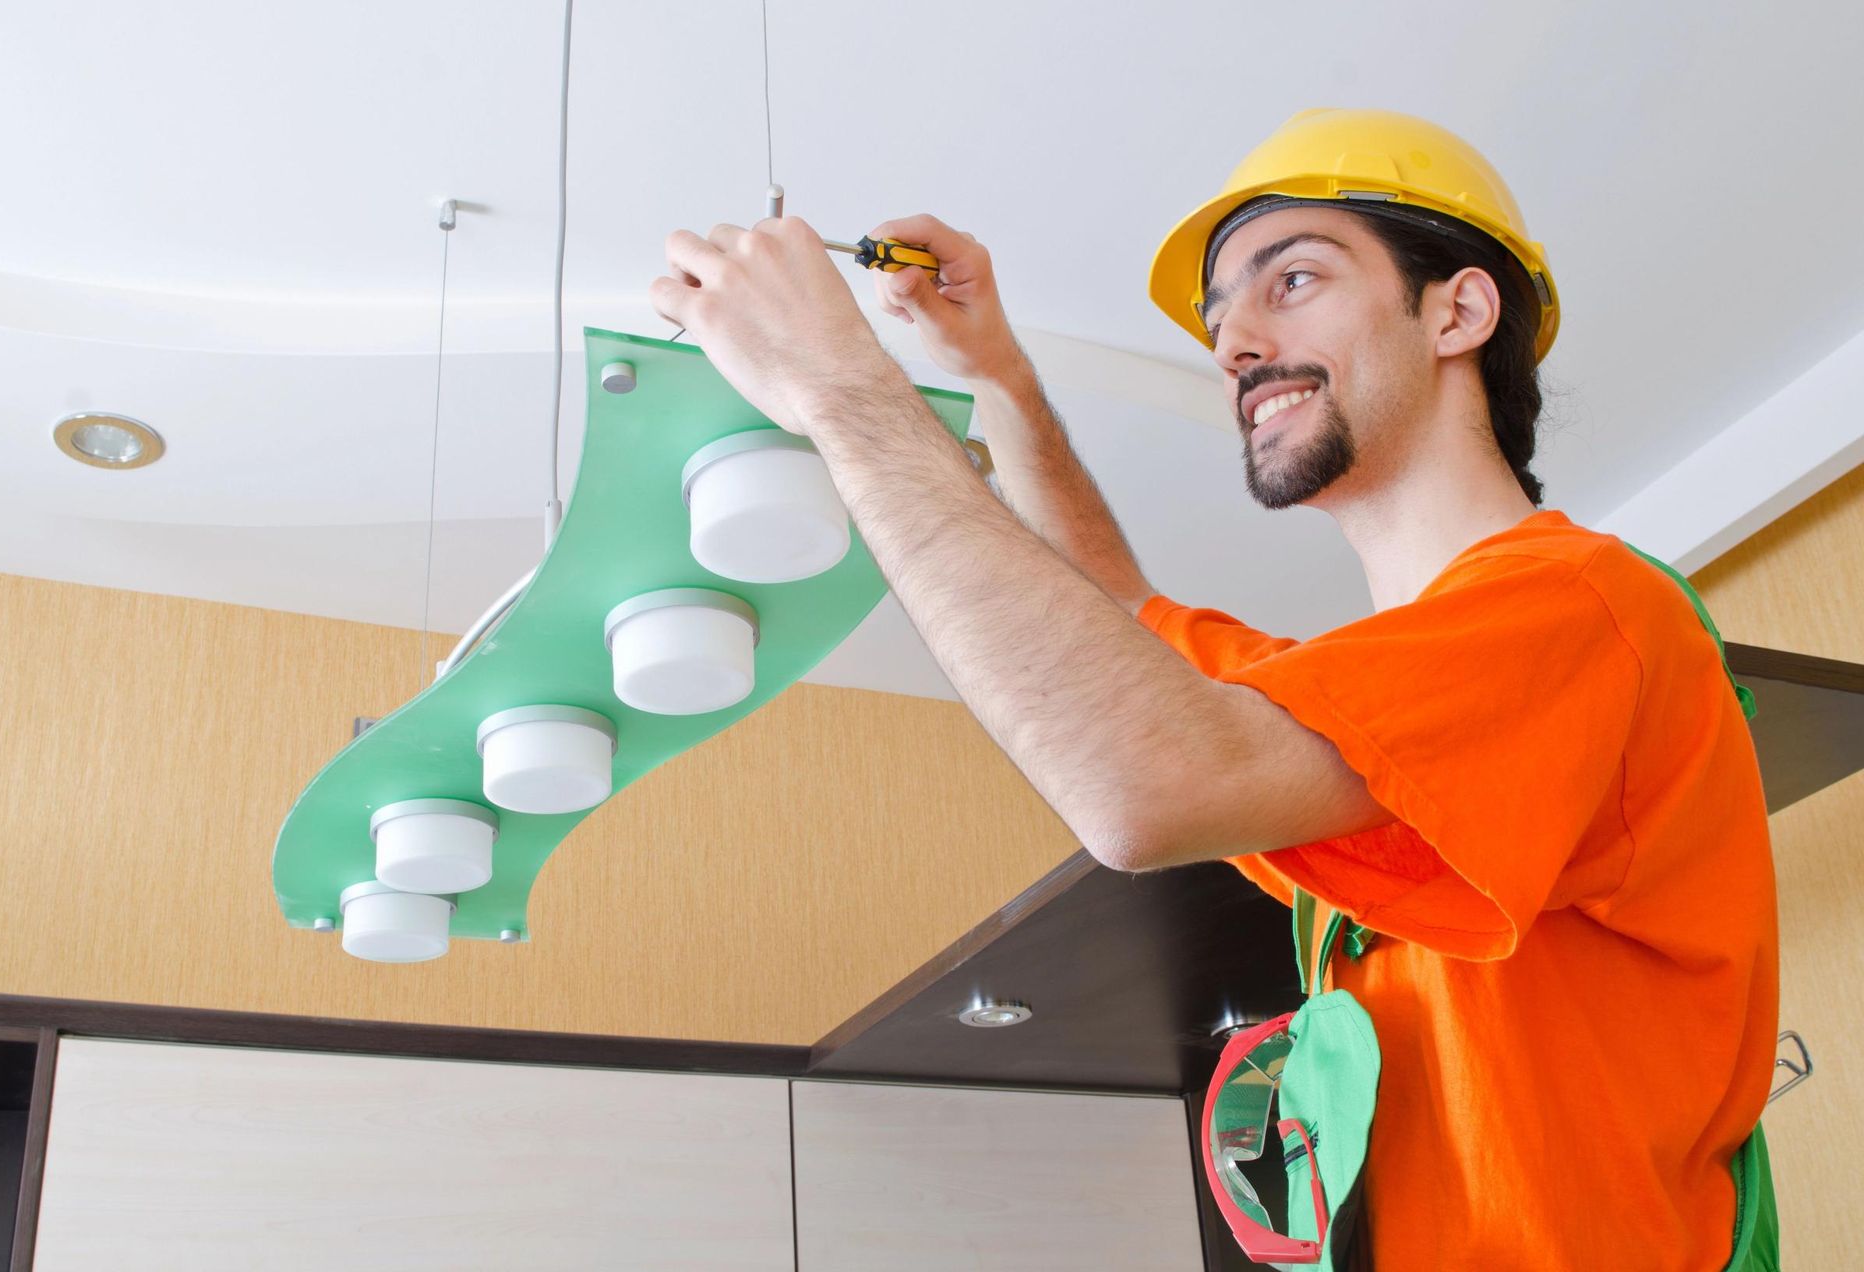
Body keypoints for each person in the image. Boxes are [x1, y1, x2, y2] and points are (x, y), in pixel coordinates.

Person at [651, 109, 1778, 1269]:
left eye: (1292, 279)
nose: (1235, 340)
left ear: (1459, 310)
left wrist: (844, 391)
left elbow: (1141, 789)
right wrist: (995, 375)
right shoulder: (1356, 700)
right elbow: (1112, 616)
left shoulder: (1582, 609)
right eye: (1221, 318)